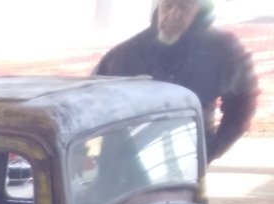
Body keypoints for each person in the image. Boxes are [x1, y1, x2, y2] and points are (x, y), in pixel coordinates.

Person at [95, 0, 258, 162]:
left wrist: (212, 150)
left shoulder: (223, 50)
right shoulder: (127, 54)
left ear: (200, 9)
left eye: (184, 6)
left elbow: (243, 101)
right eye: (168, 5)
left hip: (185, 160)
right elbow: (93, 100)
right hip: (128, 158)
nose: (173, 15)